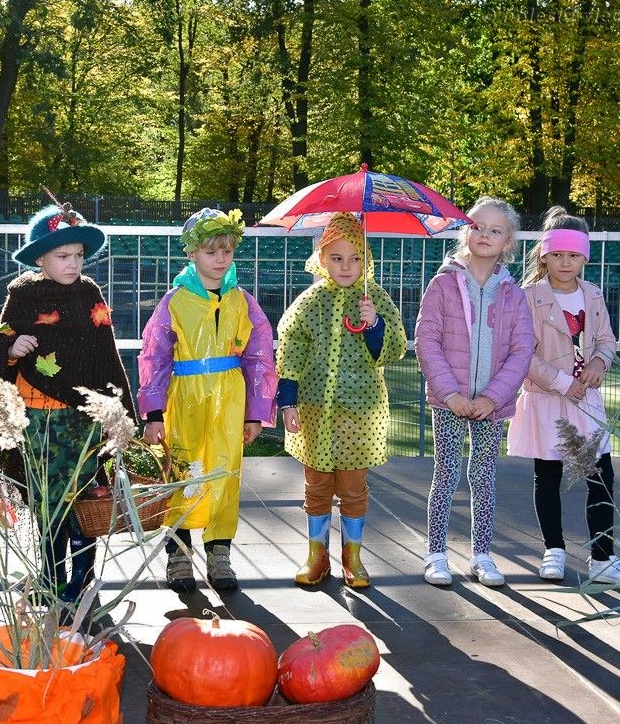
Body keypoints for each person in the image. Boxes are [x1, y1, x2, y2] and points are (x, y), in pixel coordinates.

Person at [0, 203, 135, 604]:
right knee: (45, 501)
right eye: (62, 256)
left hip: (80, 417)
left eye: (79, 255)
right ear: (40, 258)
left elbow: (106, 353)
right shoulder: (23, 295)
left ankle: (82, 576)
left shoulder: (89, 294)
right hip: (34, 417)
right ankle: (51, 576)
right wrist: (12, 348)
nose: (73, 264)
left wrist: (120, 412)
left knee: (84, 498)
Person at [137, 208, 277, 593]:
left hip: (229, 401)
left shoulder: (241, 302)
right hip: (186, 400)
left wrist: (254, 412)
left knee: (225, 473)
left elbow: (259, 357)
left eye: (227, 251)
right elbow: (154, 357)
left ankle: (220, 553)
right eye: (210, 251)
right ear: (191, 253)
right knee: (182, 471)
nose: (219, 259)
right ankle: (179, 553)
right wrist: (154, 413)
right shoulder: (175, 302)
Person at [507, 206, 620, 587]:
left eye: (573, 255)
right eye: (557, 255)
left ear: (584, 256)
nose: (565, 263)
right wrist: (562, 382)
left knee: (601, 475)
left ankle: (603, 557)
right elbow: (522, 353)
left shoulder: (593, 294)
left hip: (586, 402)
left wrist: (601, 361)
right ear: (544, 256)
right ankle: (554, 550)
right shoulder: (528, 297)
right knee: (547, 475)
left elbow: (605, 339)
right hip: (547, 399)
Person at [277, 212, 407, 588]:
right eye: (337, 258)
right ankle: (317, 557)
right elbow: (291, 350)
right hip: (315, 411)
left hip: (359, 414)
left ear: (366, 259)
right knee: (316, 486)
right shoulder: (310, 302)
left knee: (352, 487)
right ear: (322, 259)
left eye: (355, 258)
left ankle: (354, 557)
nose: (346, 266)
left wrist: (375, 325)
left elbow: (394, 349)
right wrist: (288, 401)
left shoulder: (375, 298)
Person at [414, 197, 534, 588]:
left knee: (483, 476)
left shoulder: (513, 294)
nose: (485, 234)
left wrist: (491, 399)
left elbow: (521, 351)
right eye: (477, 226)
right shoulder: (444, 283)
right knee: (445, 472)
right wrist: (450, 394)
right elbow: (427, 340)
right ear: (466, 230)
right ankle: (436, 553)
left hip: (491, 408)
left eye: (495, 230)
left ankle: (481, 553)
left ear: (508, 242)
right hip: (449, 402)